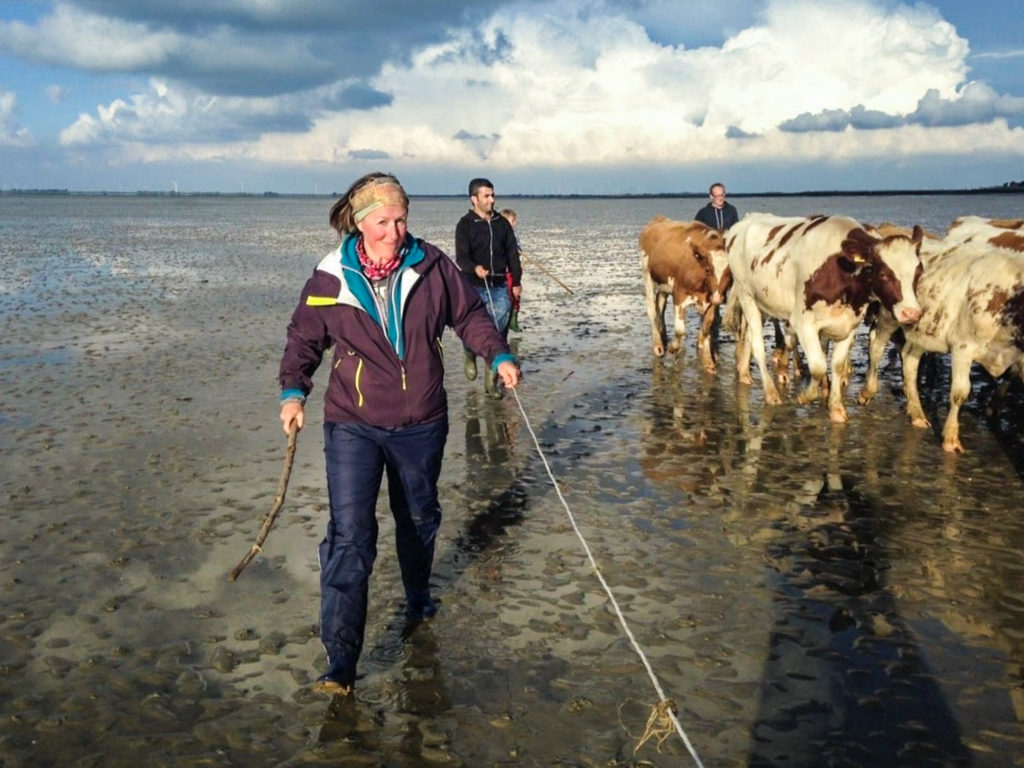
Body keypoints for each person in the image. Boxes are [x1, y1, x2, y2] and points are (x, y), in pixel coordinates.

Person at [278, 172, 521, 697]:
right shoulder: (328, 277)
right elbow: (303, 340)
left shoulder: (432, 266)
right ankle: (341, 662)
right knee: (350, 536)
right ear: (361, 223)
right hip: (352, 424)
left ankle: (417, 595)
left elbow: (470, 314)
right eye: (383, 222)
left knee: (418, 515)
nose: (394, 231)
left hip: (421, 421)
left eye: (401, 219)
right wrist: (293, 393)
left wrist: (497, 352)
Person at [455, 178, 523, 396]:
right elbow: (461, 258)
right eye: (486, 196)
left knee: (497, 334)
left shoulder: (502, 224)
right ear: (474, 199)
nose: (492, 200)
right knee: (474, 328)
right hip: (473, 286)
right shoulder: (465, 225)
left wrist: (517, 283)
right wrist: (475, 268)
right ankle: (469, 352)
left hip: (499, 285)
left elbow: (513, 254)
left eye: (493, 195)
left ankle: (491, 383)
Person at [499, 208, 523, 333]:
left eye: (515, 221)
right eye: (512, 221)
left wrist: (518, 252)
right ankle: (506, 320)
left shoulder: (515, 234)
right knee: (508, 294)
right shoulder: (501, 235)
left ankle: (514, 319)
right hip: (505, 271)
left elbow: (518, 250)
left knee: (517, 295)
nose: (515, 223)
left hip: (514, 270)